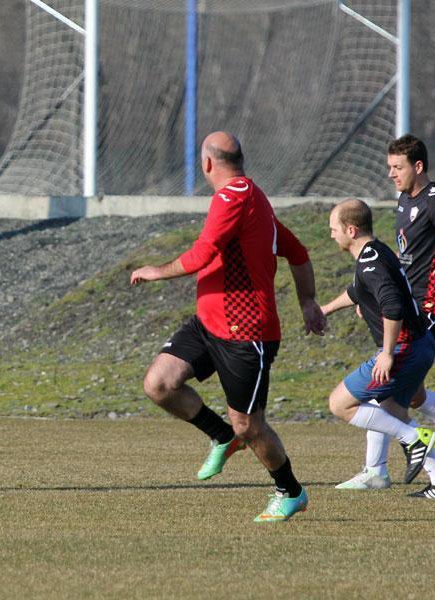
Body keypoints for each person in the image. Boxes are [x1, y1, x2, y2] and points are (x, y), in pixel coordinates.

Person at [130, 131, 326, 522]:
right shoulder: (253, 197)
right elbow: (298, 252)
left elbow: (202, 255)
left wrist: (155, 271)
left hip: (245, 334)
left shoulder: (233, 196)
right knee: (159, 384)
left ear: (207, 164)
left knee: (249, 426)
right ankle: (221, 436)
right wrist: (307, 301)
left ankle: (290, 492)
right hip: (209, 324)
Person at [336, 134, 435, 491]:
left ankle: (378, 470)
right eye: (389, 166)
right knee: (412, 394)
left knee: (386, 386)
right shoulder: (405, 199)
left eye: (397, 167)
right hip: (412, 303)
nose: (391, 174)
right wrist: (372, 299)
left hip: (434, 305)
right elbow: (406, 257)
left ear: (418, 166)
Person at [321, 199, 435, 499]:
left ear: (351, 229)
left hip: (404, 349)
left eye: (334, 229)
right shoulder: (376, 251)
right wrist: (325, 310)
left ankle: (414, 439)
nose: (331, 234)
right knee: (392, 412)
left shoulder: (370, 263)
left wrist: (386, 353)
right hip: (421, 345)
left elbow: (393, 306)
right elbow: (357, 291)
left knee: (339, 404)